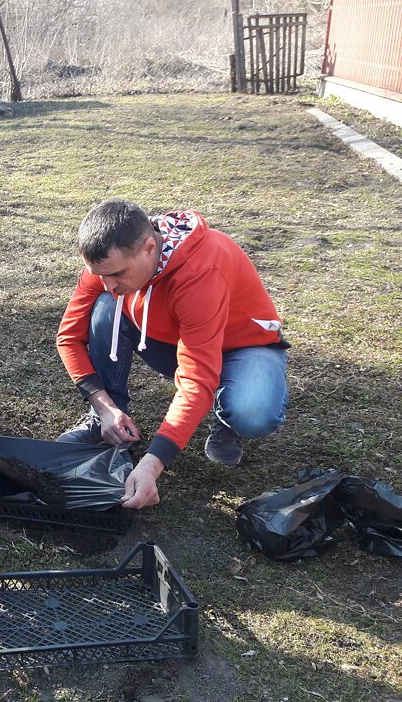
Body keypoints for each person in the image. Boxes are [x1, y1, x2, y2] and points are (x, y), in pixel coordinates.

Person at [56, 199, 289, 510]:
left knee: (253, 412)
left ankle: (227, 419)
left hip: (242, 347)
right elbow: (68, 336)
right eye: (100, 276)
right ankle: (110, 422)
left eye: (117, 274)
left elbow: (197, 379)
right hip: (173, 338)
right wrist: (104, 406)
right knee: (105, 309)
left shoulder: (201, 271)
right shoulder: (108, 266)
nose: (109, 284)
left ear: (149, 248)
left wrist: (152, 464)